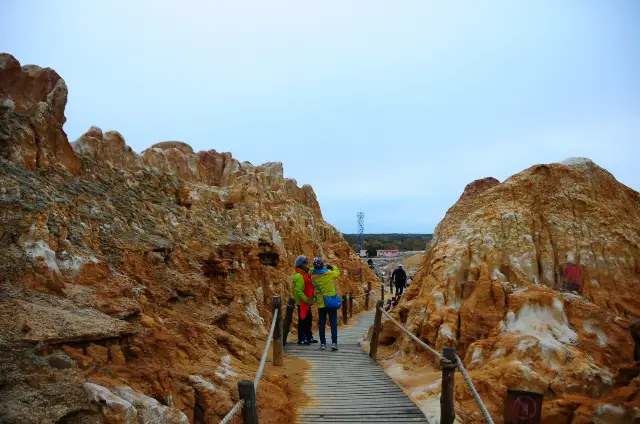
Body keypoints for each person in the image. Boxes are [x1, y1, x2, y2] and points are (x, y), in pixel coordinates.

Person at [311, 257, 340, 351]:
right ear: (322, 265)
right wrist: (332, 266)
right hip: (331, 302)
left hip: (321, 303)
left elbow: (311, 271)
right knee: (333, 323)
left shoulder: (313, 277)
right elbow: (337, 273)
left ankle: (323, 343)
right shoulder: (329, 273)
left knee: (322, 323)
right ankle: (334, 343)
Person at [292, 255, 317, 345]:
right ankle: (301, 338)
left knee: (308, 319)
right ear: (301, 264)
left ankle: (309, 337)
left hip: (307, 301)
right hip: (302, 302)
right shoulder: (299, 276)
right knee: (303, 320)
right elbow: (299, 291)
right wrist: (307, 300)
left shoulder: (306, 272)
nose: (307, 264)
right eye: (305, 263)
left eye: (307, 262)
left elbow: (312, 270)